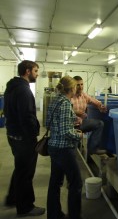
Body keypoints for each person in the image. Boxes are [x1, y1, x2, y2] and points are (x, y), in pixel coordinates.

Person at [3, 60, 45, 217]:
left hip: (13, 135)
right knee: (26, 173)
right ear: (27, 71)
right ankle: (26, 207)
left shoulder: (12, 87)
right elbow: (27, 117)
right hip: (24, 138)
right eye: (35, 71)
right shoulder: (24, 91)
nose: (37, 74)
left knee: (20, 169)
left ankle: (12, 198)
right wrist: (34, 134)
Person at [46, 76, 83, 219]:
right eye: (76, 87)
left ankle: (54, 215)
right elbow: (65, 132)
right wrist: (79, 136)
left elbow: (50, 121)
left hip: (53, 147)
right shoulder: (66, 103)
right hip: (64, 149)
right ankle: (75, 216)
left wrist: (73, 119)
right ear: (72, 88)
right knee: (76, 183)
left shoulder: (55, 100)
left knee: (55, 183)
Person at [71, 76, 107, 155]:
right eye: (78, 85)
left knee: (99, 124)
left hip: (80, 123)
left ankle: (92, 149)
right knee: (73, 152)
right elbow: (65, 109)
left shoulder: (84, 95)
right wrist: (75, 112)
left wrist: (100, 106)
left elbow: (94, 101)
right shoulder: (69, 96)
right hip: (70, 125)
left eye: (82, 84)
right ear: (73, 86)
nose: (80, 87)